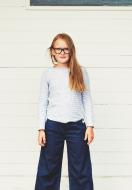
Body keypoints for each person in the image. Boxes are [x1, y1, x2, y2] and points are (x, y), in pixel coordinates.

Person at [34, 33, 95, 190]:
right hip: (53, 126)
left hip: (77, 127)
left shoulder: (81, 72)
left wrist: (90, 126)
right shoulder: (48, 74)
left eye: (66, 49)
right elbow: (42, 102)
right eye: (58, 49)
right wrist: (41, 128)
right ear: (52, 51)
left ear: (72, 51)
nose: (62, 52)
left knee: (81, 169)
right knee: (48, 169)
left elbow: (86, 99)